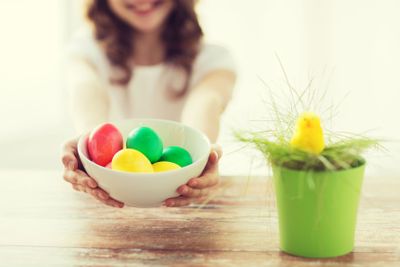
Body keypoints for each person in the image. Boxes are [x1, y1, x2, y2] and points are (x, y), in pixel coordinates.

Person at [61, 0, 236, 208]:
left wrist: (201, 157)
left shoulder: (214, 59)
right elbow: (86, 89)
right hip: (107, 201)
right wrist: (88, 141)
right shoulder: (85, 49)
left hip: (182, 202)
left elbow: (206, 101)